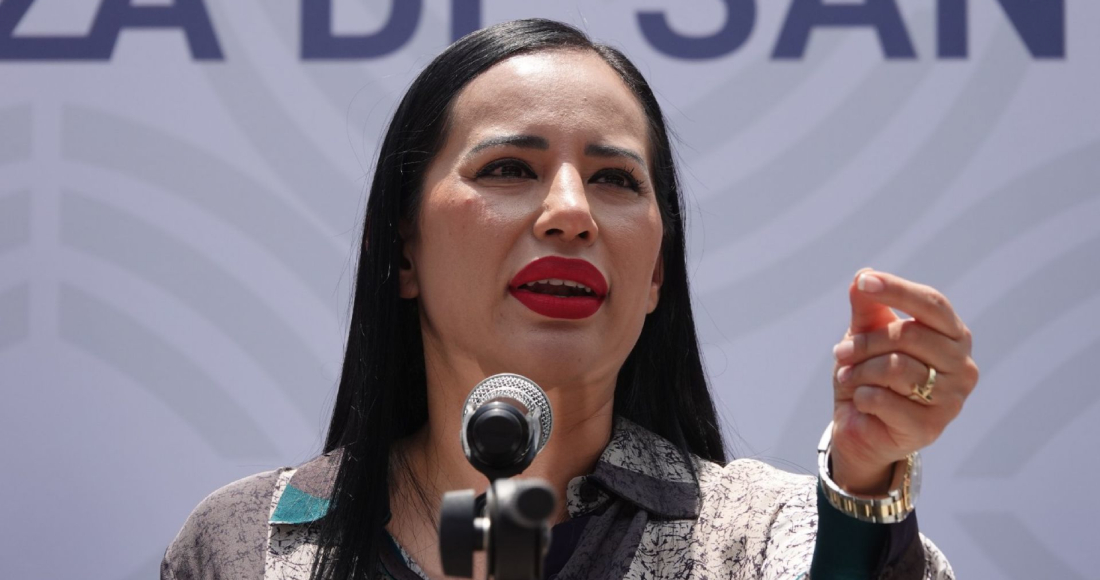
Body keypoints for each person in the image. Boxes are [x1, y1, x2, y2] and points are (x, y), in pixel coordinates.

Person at [161, 18, 977, 580]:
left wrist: (862, 486)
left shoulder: (761, 536)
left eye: (615, 179)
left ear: (656, 276)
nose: (571, 212)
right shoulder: (247, 542)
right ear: (403, 248)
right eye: (509, 169)